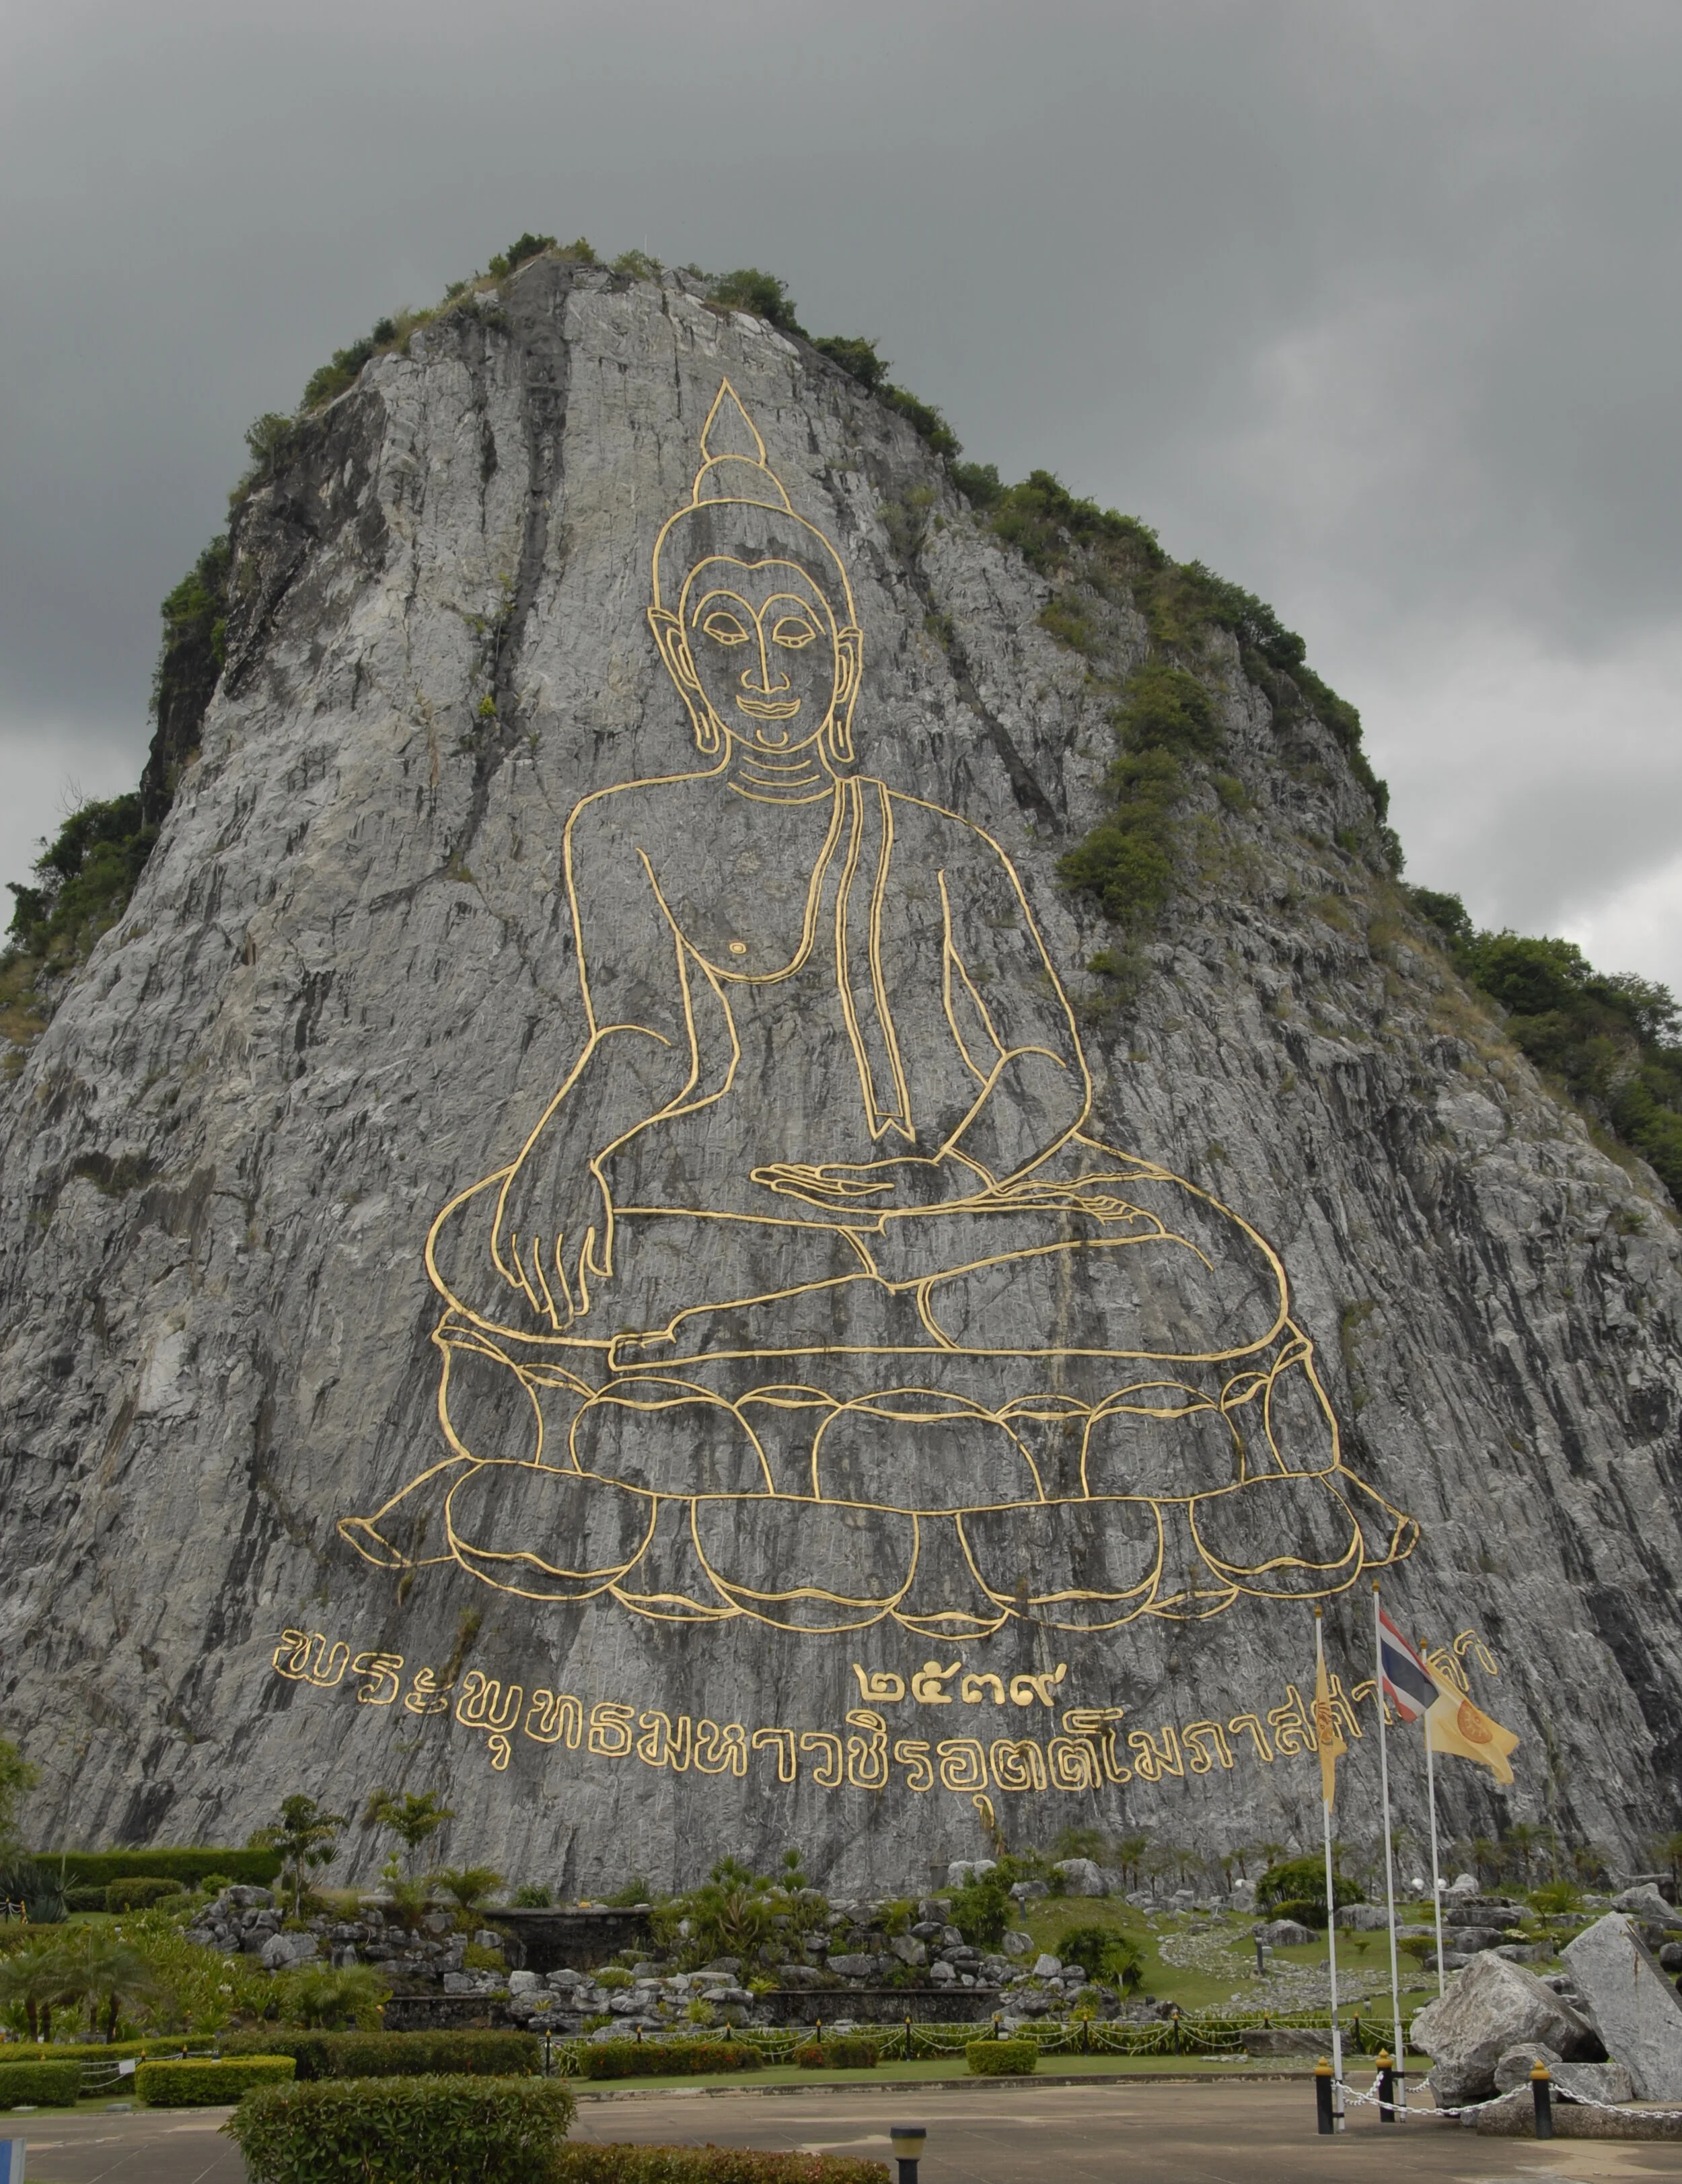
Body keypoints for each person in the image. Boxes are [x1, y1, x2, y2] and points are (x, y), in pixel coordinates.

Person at [342, 384, 1413, 1635]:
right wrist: (564, 1145)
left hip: (956, 1204)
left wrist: (942, 1186)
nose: (764, 667)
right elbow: (645, 1036)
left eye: (796, 631)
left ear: (843, 651)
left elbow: (1044, 1067)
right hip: (736, 1197)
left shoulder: (943, 844)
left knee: (1188, 1259)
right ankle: (821, 1378)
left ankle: (725, 1382)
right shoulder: (623, 827)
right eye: (726, 632)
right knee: (512, 1242)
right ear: (681, 651)